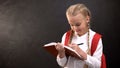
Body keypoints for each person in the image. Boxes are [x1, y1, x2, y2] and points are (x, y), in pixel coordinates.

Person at [55, 3, 104, 68]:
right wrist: (61, 53)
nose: (75, 28)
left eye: (78, 24)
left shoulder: (95, 38)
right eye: (71, 25)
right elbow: (62, 64)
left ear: (87, 19)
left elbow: (98, 65)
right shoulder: (66, 36)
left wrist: (81, 53)